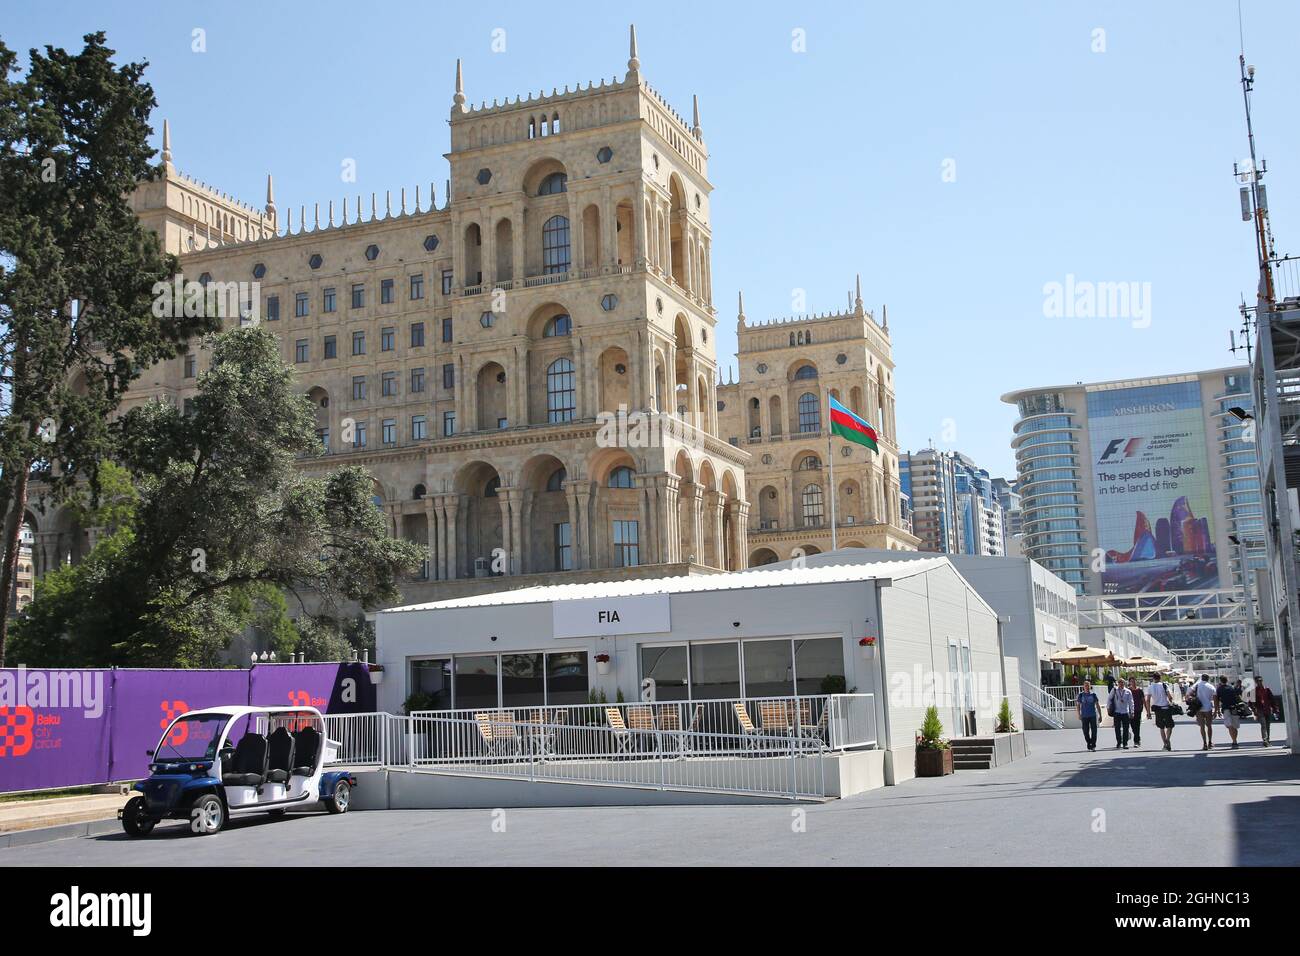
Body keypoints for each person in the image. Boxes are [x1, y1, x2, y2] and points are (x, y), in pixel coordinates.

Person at [1145, 674, 1176, 750]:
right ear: (1160, 678)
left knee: (1161, 727)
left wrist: (1148, 712)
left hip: (1157, 709)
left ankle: (1165, 743)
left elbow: (1147, 700)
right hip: (1165, 708)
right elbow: (1170, 697)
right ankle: (1167, 740)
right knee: (1169, 726)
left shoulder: (1150, 687)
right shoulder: (1164, 685)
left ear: (1153, 678)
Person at [1216, 676, 1242, 749]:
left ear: (1220, 681)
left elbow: (1217, 700)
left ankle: (1234, 741)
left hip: (1226, 709)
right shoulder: (1232, 688)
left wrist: (1217, 711)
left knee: (1229, 726)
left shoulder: (1219, 689)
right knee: (1234, 726)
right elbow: (1239, 695)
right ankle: (1235, 741)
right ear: (1227, 680)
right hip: (1234, 708)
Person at [1193, 674, 1217, 750]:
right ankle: (1210, 742)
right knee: (1209, 726)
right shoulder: (1211, 687)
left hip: (1199, 708)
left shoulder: (1196, 686)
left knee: (1202, 727)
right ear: (1208, 679)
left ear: (1201, 678)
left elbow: (1188, 694)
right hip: (1208, 708)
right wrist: (1216, 711)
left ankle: (1204, 743)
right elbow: (1215, 699)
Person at [1108, 679, 1134, 749]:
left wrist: (1132, 711)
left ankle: (1125, 743)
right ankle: (1119, 742)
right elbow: (1109, 699)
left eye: (1122, 682)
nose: (1121, 684)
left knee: (1126, 728)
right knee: (1117, 728)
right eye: (1119, 682)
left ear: (1124, 683)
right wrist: (1108, 708)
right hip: (1117, 712)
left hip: (1125, 712)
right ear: (1118, 683)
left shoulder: (1128, 691)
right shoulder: (1114, 690)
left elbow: (1131, 702)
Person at [1077, 680, 1101, 752]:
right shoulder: (1081, 695)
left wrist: (1100, 715)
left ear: (1090, 686)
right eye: (1085, 685)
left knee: (1094, 731)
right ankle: (1089, 742)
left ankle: (1093, 745)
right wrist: (1078, 714)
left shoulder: (1093, 695)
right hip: (1084, 716)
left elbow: (1097, 705)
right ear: (1083, 687)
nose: (1087, 687)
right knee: (1085, 731)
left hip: (1092, 715)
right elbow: (1078, 705)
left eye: (1088, 685)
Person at [1255, 680, 1275, 746]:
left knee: (1267, 725)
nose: (1259, 682)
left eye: (1260, 681)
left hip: (1267, 709)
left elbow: (1272, 699)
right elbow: (1251, 701)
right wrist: (1254, 710)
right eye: (1257, 681)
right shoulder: (1254, 691)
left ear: (1262, 681)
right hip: (1260, 709)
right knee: (1263, 725)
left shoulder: (1267, 689)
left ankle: (1268, 739)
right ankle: (1265, 740)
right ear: (1256, 682)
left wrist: (1275, 708)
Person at [1127, 677, 1145, 748]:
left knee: (1137, 726)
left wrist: (1147, 711)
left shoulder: (1140, 690)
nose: (1133, 682)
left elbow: (1143, 700)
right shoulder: (1128, 691)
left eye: (1134, 681)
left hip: (1138, 710)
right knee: (1133, 726)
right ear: (1129, 683)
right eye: (1131, 681)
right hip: (1131, 710)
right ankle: (1137, 737)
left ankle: (1136, 741)